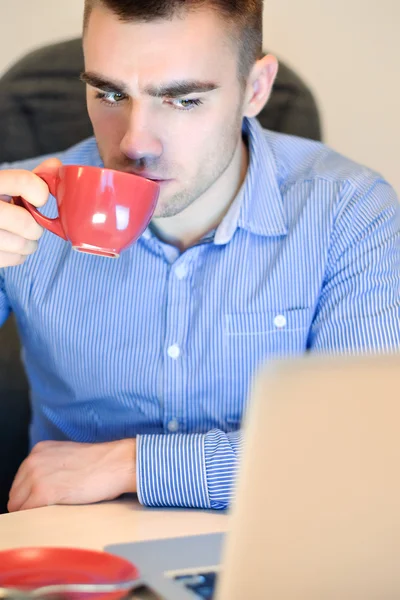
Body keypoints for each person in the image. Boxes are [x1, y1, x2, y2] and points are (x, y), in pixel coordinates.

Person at [0, 0, 399, 514]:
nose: (135, 142)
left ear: (255, 89)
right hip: (80, 567)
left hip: (272, 545)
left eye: (183, 99)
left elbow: (365, 453)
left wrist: (131, 465)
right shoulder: (19, 203)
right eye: (109, 92)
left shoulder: (348, 210)